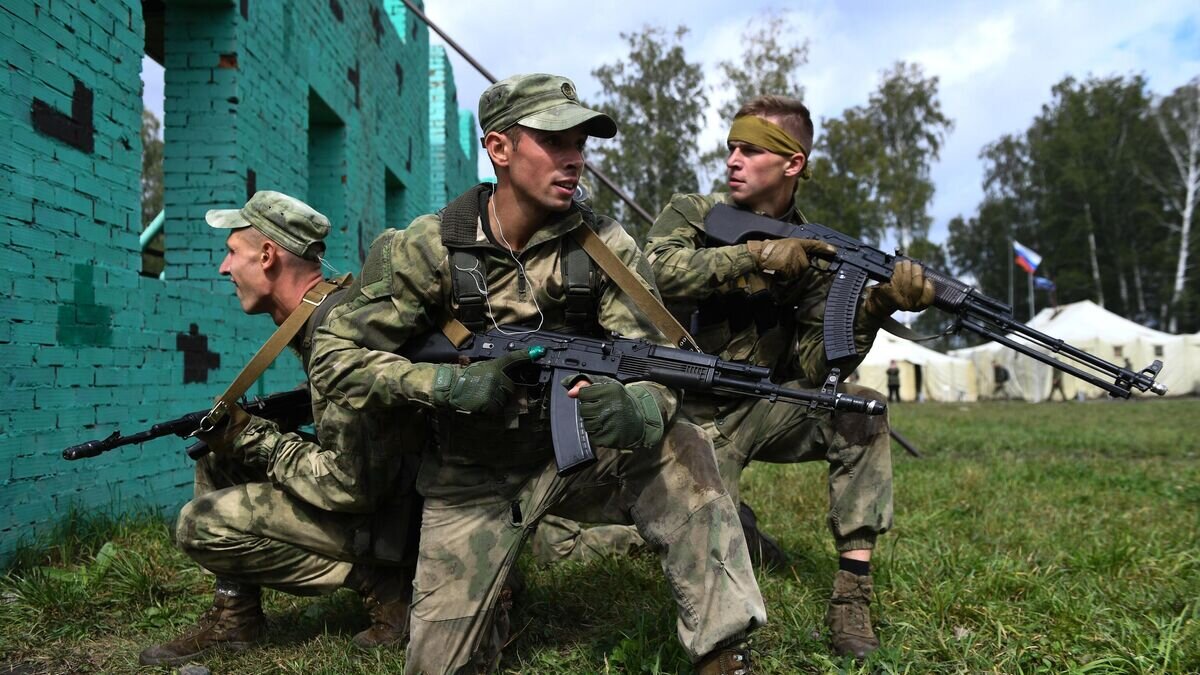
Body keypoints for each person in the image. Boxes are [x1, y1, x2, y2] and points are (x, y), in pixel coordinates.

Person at [309, 74, 766, 675]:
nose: (574, 158)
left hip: (576, 458)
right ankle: (495, 591)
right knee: (439, 666)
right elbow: (332, 355)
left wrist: (640, 407)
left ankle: (721, 652)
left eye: (580, 142)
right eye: (555, 141)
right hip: (471, 473)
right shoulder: (429, 246)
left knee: (683, 445)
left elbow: (657, 357)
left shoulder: (604, 245)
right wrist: (442, 385)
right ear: (499, 148)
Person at [639, 95, 935, 659]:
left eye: (750, 150)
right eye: (731, 148)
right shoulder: (695, 215)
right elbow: (654, 272)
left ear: (792, 164)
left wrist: (873, 309)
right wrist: (755, 258)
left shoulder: (822, 252)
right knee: (644, 542)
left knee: (861, 409)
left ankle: (852, 598)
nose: (733, 160)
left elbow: (814, 367)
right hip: (680, 413)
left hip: (758, 408)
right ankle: (741, 532)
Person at [138, 192, 422, 666]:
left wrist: (255, 438)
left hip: (405, 516)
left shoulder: (335, 333)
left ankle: (389, 586)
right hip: (398, 496)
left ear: (268, 256)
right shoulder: (325, 311)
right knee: (217, 456)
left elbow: (351, 486)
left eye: (232, 252)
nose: (224, 269)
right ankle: (236, 621)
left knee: (200, 524)